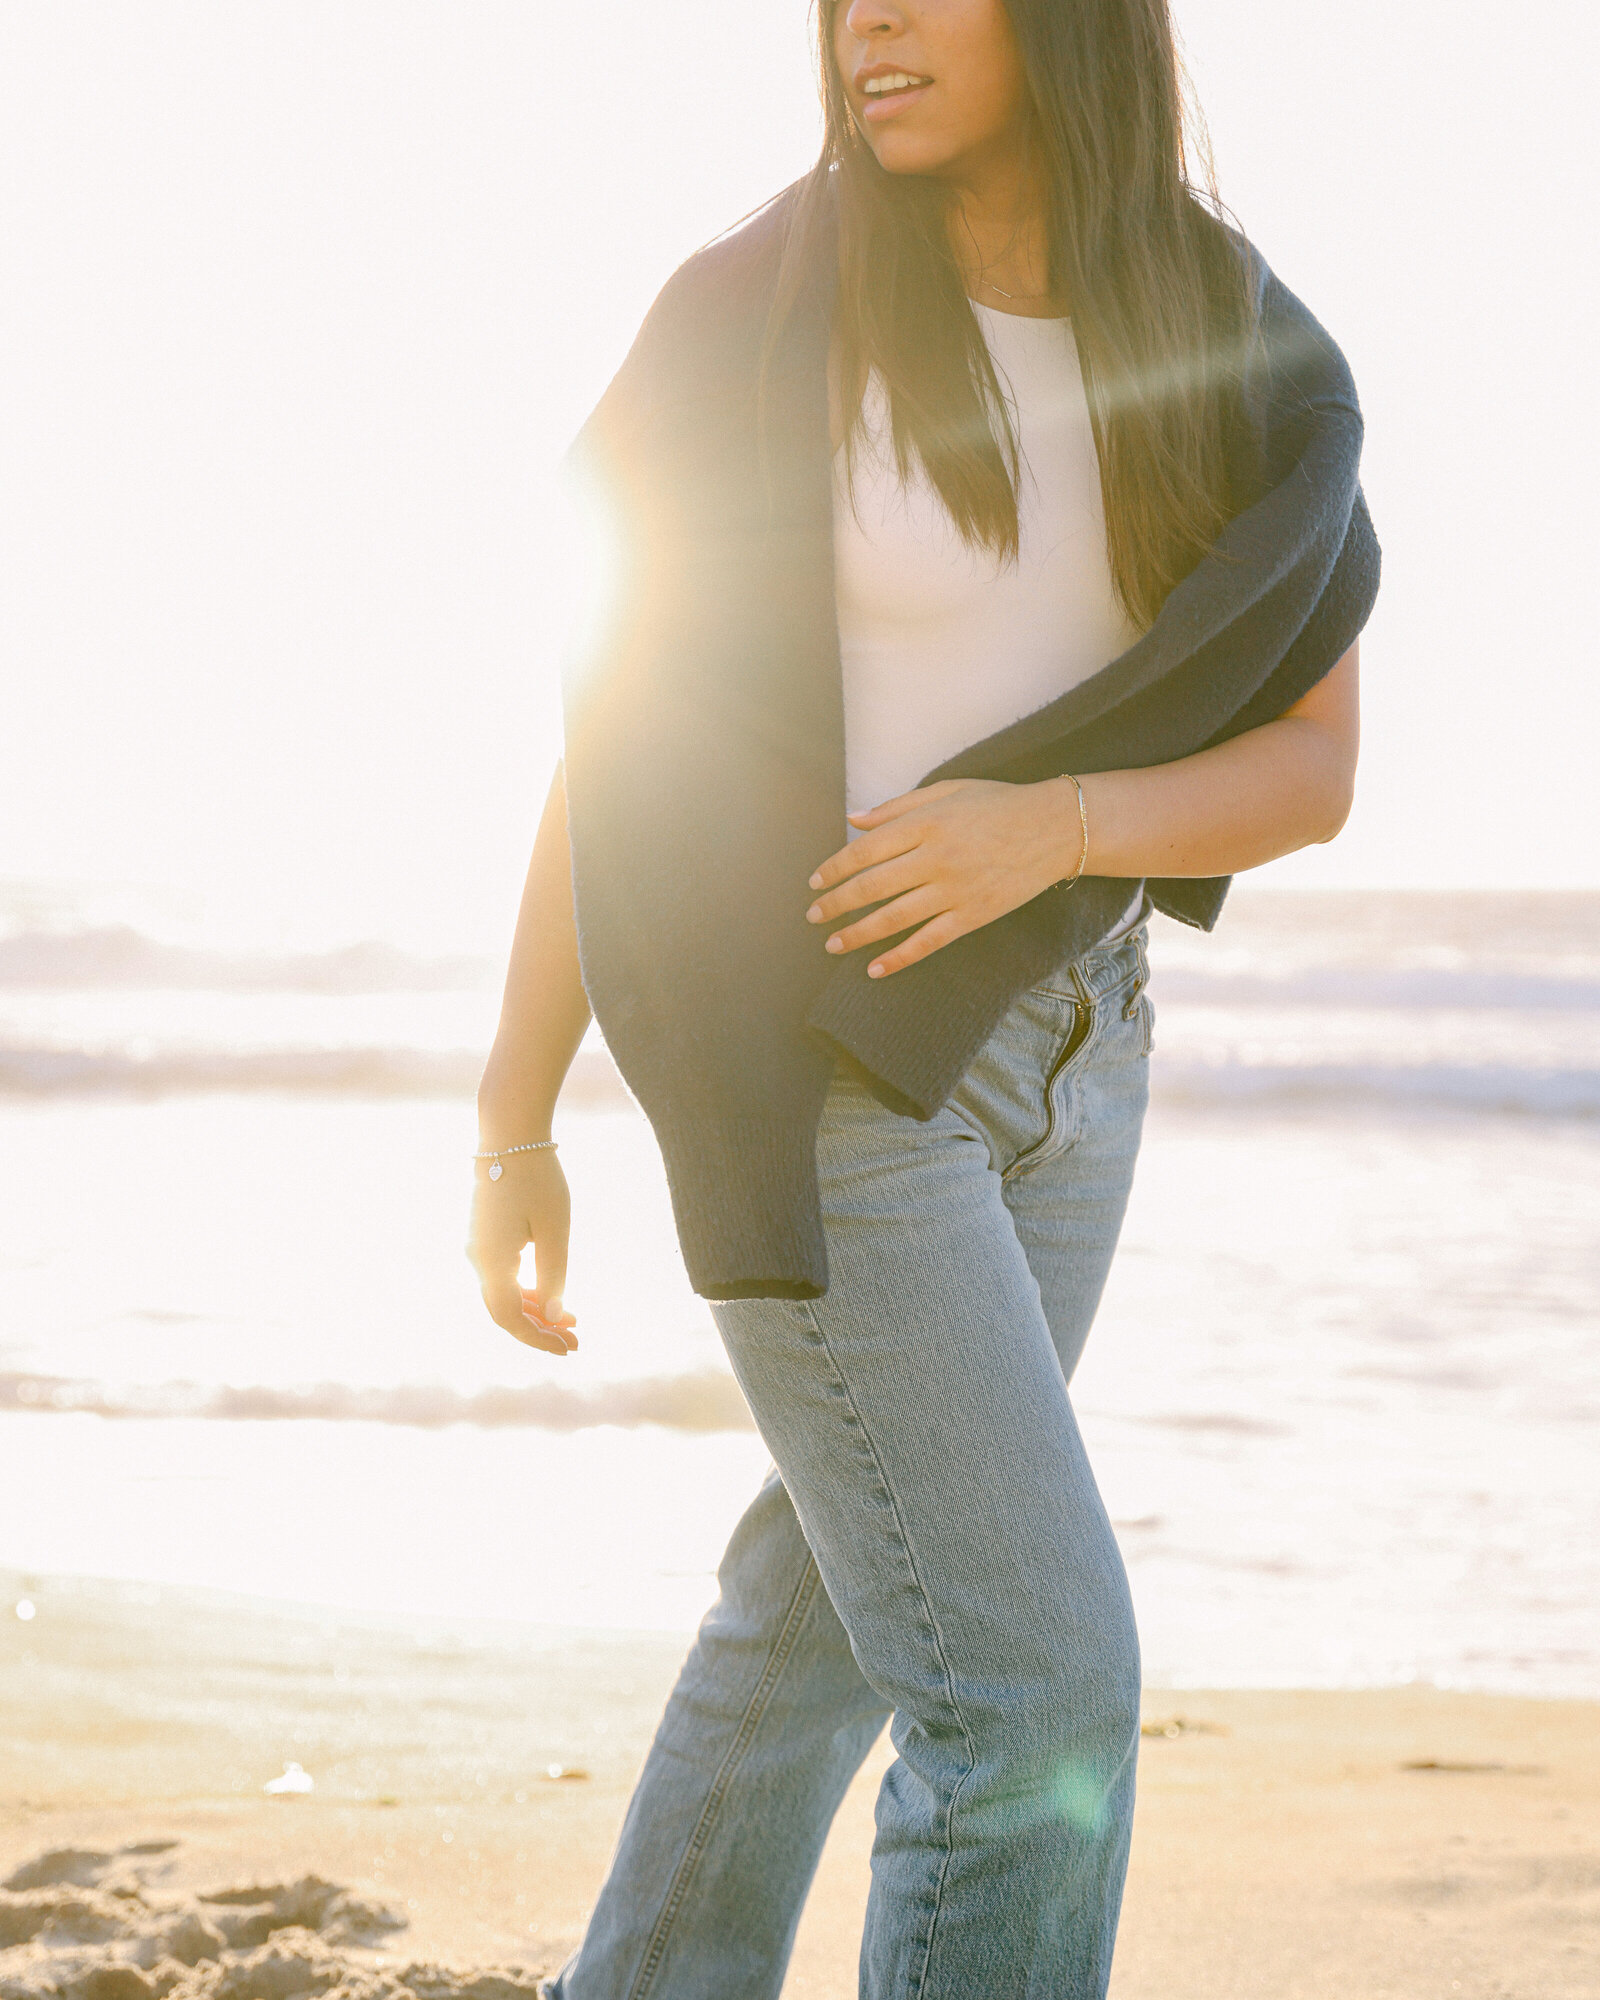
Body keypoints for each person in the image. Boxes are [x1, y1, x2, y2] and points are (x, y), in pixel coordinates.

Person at [468, 2, 1377, 1993]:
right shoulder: (748, 318)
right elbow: (622, 735)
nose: (860, 15)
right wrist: (514, 1112)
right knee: (1030, 1692)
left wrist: (1049, 830)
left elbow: (1311, 762)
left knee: (816, 1619)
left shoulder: (1224, 340)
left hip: (1076, 1047)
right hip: (813, 1062)